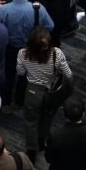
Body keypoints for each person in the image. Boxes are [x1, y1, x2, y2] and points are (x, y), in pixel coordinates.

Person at [16, 27, 72, 161]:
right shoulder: (57, 54)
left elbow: (20, 72)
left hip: (32, 92)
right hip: (51, 92)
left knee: (31, 122)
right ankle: (42, 141)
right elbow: (68, 74)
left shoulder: (23, 53)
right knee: (47, 118)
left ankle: (31, 151)